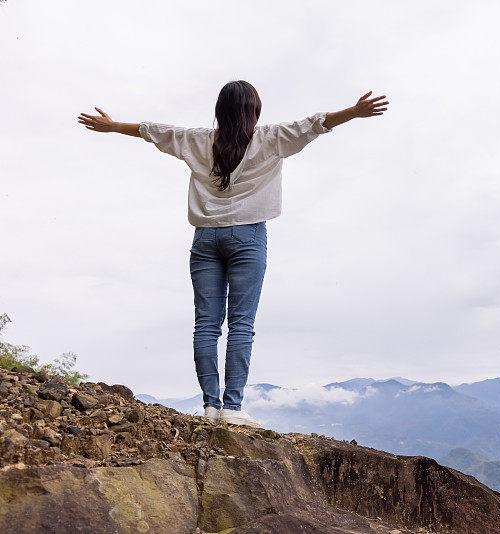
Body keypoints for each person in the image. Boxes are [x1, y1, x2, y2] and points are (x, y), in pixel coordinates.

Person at [77, 81, 389, 428]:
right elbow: (315, 123)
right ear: (254, 111)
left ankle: (210, 406)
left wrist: (112, 126)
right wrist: (355, 112)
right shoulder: (271, 138)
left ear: (219, 111)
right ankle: (232, 408)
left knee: (206, 325)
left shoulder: (197, 140)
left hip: (205, 240)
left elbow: (154, 131)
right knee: (241, 324)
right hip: (248, 236)